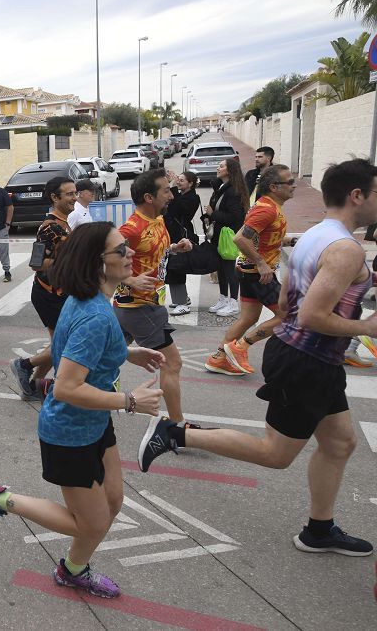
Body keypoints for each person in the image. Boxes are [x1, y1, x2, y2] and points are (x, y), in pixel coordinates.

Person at [138, 158, 377, 558]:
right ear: (357, 195)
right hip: (307, 360)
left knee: (339, 443)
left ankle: (319, 530)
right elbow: (313, 315)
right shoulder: (344, 249)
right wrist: (368, 328)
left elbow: (286, 300)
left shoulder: (317, 235)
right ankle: (173, 434)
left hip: (311, 357)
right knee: (275, 453)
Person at [0, 222, 164, 599]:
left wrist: (127, 352)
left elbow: (81, 350)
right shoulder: (94, 315)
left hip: (93, 424)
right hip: (69, 432)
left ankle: (73, 570)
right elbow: (67, 386)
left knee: (112, 504)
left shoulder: (90, 299)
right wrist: (130, 401)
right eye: (120, 251)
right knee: (92, 524)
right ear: (97, 262)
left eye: (126, 248)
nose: (130, 255)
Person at [114, 170, 194, 427]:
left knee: (105, 354)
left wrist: (173, 248)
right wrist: (129, 280)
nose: (171, 195)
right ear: (149, 197)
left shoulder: (158, 220)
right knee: (172, 363)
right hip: (141, 307)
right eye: (166, 191)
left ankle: (61, 389)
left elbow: (149, 253)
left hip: (137, 306)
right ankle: (176, 427)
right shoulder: (131, 228)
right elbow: (96, 259)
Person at [206, 165, 298, 376]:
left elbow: (261, 237)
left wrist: (291, 241)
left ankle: (219, 358)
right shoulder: (266, 208)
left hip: (250, 270)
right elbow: (240, 238)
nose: (294, 186)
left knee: (248, 318)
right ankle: (239, 349)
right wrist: (260, 262)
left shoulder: (269, 206)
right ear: (274, 187)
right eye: (289, 182)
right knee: (288, 316)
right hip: (257, 273)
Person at [12, 177, 76, 401]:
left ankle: (32, 386)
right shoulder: (49, 227)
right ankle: (23, 364)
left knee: (59, 344)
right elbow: (36, 263)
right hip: (48, 294)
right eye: (69, 194)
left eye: (75, 193)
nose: (74, 198)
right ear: (55, 198)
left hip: (60, 292)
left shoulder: (64, 222)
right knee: (63, 346)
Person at [203, 158, 249, 317]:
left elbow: (235, 217)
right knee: (221, 269)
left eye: (221, 166)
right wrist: (208, 217)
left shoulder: (233, 191)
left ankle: (234, 303)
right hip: (218, 236)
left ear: (230, 170)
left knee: (230, 270)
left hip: (228, 237)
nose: (218, 167)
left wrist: (212, 213)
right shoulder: (220, 188)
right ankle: (223, 298)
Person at [164, 172, 202, 316]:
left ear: (190, 183)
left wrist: (172, 188)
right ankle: (181, 298)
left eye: (181, 180)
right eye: (177, 180)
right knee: (173, 268)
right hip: (173, 234)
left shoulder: (193, 197)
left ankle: (182, 303)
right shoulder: (181, 195)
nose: (178, 182)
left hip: (180, 235)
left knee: (176, 268)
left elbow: (176, 209)